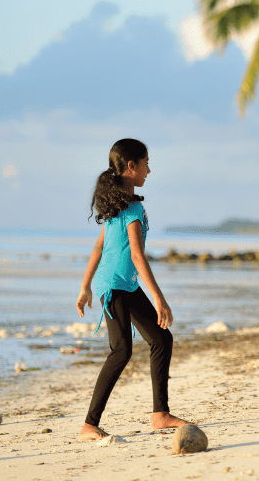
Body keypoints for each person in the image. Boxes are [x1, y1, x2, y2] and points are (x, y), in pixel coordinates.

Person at [75, 139, 190, 440]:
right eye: (146, 163)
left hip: (120, 284)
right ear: (131, 166)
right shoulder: (131, 207)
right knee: (121, 349)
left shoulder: (119, 205)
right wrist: (159, 298)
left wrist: (86, 287)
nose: (149, 170)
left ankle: (160, 414)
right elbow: (137, 255)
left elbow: (100, 247)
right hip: (115, 286)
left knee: (161, 338)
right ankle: (90, 424)